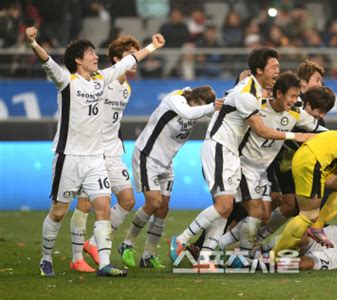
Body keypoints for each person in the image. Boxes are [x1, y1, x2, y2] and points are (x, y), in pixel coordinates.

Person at [26, 25, 165, 277]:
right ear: (78, 60)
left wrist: (153, 46)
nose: (95, 56)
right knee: (58, 212)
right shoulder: (66, 80)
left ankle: (104, 264)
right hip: (68, 157)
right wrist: (33, 43)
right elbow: (48, 63)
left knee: (103, 206)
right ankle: (46, 258)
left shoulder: (101, 79)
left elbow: (128, 62)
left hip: (95, 159)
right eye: (90, 53)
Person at [169, 47, 314, 264]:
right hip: (219, 147)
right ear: (259, 70)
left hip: (230, 152)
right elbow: (261, 130)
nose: (277, 71)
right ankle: (181, 240)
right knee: (226, 206)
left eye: (278, 67)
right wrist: (296, 135)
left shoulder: (254, 90)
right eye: (273, 67)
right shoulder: (247, 95)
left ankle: (206, 257)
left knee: (226, 208)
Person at [218, 72, 325, 254]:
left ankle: (220, 246)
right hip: (243, 165)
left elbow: (319, 130)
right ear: (278, 94)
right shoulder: (258, 108)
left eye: (297, 95)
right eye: (292, 95)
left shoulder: (295, 114)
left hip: (263, 170)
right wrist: (217, 105)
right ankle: (237, 254)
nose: (296, 100)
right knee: (254, 213)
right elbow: (232, 113)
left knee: (265, 216)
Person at [119, 86, 222, 268]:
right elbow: (188, 113)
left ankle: (148, 256)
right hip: (147, 156)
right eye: (199, 105)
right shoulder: (175, 99)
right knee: (154, 202)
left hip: (167, 162)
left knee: (163, 208)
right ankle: (127, 243)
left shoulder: (197, 109)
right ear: (194, 99)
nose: (199, 112)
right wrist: (212, 106)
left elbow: (212, 117)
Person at [68, 35, 140, 273]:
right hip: (91, 152)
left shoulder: (126, 88)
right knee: (85, 204)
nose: (136, 60)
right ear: (118, 60)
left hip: (113, 151)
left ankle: (91, 244)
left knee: (128, 200)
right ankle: (77, 256)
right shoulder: (99, 80)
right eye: (131, 55)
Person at [256, 61, 334, 243]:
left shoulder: (306, 115)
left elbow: (321, 133)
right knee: (254, 209)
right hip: (263, 163)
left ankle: (256, 244)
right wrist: (295, 136)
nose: (320, 84)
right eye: (317, 80)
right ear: (303, 83)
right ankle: (212, 243)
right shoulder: (279, 104)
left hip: (285, 167)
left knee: (290, 206)